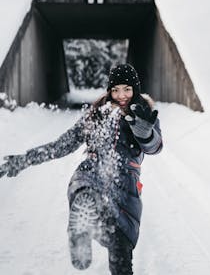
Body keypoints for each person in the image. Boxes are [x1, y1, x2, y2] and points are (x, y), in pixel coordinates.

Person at [0, 63, 163, 274]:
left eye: (127, 89)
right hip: (92, 172)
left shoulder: (145, 115)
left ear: (135, 89)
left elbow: (155, 147)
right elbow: (62, 145)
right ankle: (81, 232)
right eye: (115, 90)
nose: (121, 95)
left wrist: (145, 134)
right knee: (85, 191)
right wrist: (25, 160)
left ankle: (92, 226)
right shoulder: (96, 114)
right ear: (109, 91)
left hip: (125, 187)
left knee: (121, 247)